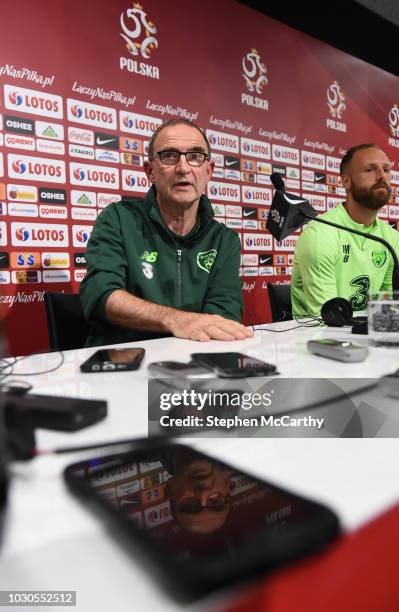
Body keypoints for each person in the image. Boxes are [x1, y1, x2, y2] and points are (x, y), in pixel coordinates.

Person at [80, 118, 252, 346]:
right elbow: (101, 294)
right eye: (169, 156)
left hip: (192, 365)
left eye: (195, 156)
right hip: (121, 367)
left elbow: (222, 317)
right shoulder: (118, 219)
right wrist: (175, 320)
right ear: (150, 171)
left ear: (208, 171)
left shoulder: (224, 240)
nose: (183, 168)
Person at [291, 143, 399, 316]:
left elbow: (388, 310)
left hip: (368, 335)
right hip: (316, 339)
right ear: (346, 182)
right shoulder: (320, 235)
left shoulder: (392, 238)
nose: (381, 176)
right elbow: (327, 318)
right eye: (370, 170)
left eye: (386, 170)